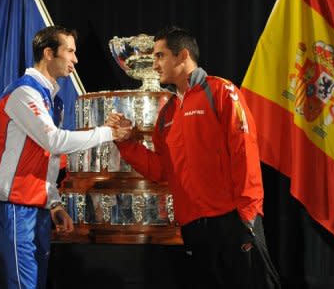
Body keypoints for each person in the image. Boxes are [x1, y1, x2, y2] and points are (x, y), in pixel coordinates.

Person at [109, 26, 281, 288]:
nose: (154, 64)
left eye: (160, 56)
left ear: (182, 56)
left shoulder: (221, 91)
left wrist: (248, 212)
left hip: (233, 220)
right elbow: (161, 171)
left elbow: (244, 151)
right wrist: (127, 142)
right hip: (194, 227)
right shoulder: (167, 113)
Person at [0, 26, 122, 289]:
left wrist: (54, 204)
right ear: (49, 53)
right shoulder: (24, 92)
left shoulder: (53, 99)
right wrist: (108, 132)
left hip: (36, 207)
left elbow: (48, 157)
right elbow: (54, 140)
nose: (75, 59)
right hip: (14, 206)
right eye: (70, 51)